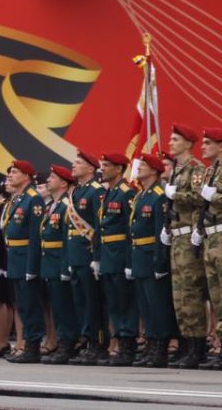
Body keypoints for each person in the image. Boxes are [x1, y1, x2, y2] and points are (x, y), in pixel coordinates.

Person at [162, 123, 209, 368]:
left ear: (188, 143)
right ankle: (187, 344)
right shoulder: (178, 170)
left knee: (191, 293)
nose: (170, 143)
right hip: (177, 236)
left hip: (189, 236)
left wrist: (174, 195)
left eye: (175, 139)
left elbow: (199, 197)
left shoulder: (195, 168)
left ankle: (198, 348)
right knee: (179, 296)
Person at [194, 127, 222, 370]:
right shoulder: (210, 172)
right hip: (210, 236)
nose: (203, 146)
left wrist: (214, 197)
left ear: (221, 146)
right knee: (216, 295)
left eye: (209, 143)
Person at [129, 152, 173, 368]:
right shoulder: (141, 195)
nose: (139, 168)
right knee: (146, 306)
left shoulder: (159, 194)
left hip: (151, 256)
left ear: (154, 171)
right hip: (139, 256)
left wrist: (160, 262)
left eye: (144, 165)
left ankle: (160, 348)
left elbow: (161, 232)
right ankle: (151, 343)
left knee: (157, 305)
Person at [95, 152, 139, 365]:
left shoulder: (126, 193)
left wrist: (129, 263)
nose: (102, 169)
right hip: (108, 255)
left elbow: (131, 231)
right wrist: (97, 258)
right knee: (113, 303)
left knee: (125, 303)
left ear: (119, 169)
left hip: (121, 255)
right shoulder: (109, 193)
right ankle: (119, 344)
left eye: (107, 165)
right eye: (102, 165)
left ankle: (128, 346)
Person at [2, 160, 45, 363]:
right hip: (15, 257)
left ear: (26, 176)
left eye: (15, 172)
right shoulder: (18, 198)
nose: (10, 175)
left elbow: (35, 236)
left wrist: (32, 266)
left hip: (26, 257)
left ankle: (33, 346)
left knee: (30, 304)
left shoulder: (33, 199)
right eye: (10, 172)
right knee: (23, 305)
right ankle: (28, 344)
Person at [65, 150, 105, 365]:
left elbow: (98, 228)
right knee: (80, 301)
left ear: (91, 168)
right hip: (76, 256)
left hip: (88, 255)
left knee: (92, 302)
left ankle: (97, 344)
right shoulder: (77, 192)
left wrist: (96, 257)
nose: (74, 165)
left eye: (78, 163)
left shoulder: (95, 192)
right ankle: (87, 339)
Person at [38, 166, 75, 364]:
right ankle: (61, 343)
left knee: (63, 306)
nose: (48, 181)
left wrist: (64, 266)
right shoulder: (53, 205)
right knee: (56, 306)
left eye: (52, 177)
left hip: (59, 261)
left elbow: (66, 239)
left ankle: (67, 344)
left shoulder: (65, 205)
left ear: (63, 183)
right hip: (49, 262)